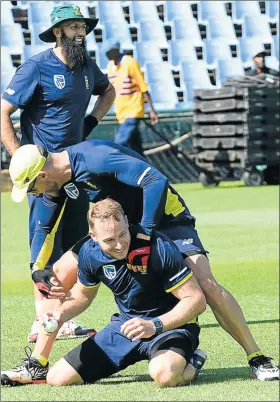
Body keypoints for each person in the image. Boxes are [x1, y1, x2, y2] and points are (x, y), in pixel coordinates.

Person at [6, 139, 280, 382]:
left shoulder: (95, 157)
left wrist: (145, 236)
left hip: (165, 217)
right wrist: (37, 269)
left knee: (206, 284)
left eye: (32, 188)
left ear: (42, 174)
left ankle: (257, 357)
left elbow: (155, 181)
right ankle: (37, 364)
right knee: (58, 274)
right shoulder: (57, 181)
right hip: (122, 228)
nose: (36, 194)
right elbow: (44, 228)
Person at [1, 3, 116, 342]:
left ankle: (60, 316)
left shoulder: (86, 66)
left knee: (73, 243)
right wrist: (20, 158)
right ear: (57, 32)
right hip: (44, 175)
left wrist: (90, 123)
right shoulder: (36, 67)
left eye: (82, 27)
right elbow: (2, 112)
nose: (80, 32)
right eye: (72, 27)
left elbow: (107, 91)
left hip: (76, 170)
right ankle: (42, 320)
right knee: (43, 245)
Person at [2, 199, 207, 386]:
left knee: (165, 375)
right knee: (57, 378)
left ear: (127, 222)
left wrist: (155, 325)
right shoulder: (89, 254)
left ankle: (193, 363)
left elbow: (195, 300)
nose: (119, 245)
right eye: (109, 240)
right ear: (93, 236)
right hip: (126, 328)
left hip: (170, 328)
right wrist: (61, 314)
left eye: (122, 234)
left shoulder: (159, 246)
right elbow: (83, 295)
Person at [103, 39, 158, 156]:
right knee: (136, 149)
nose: (108, 56)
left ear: (116, 51)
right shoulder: (110, 66)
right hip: (121, 113)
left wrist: (152, 110)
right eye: (106, 53)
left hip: (133, 110)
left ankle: (110, 173)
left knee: (119, 144)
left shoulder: (129, 63)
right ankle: (146, 171)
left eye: (110, 52)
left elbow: (143, 87)